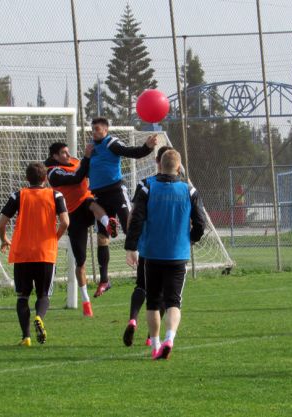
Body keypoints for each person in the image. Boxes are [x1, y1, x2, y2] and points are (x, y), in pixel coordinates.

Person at [125, 150, 206, 359]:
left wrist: (131, 247)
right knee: (173, 302)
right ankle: (170, 338)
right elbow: (200, 222)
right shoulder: (189, 190)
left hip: (152, 253)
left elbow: (136, 219)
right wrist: (192, 238)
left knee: (152, 301)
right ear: (178, 168)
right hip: (178, 254)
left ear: (159, 164)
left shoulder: (147, 187)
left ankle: (155, 345)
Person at [0, 162, 69, 346]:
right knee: (43, 294)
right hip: (45, 252)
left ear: (27, 178)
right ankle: (39, 317)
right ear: (45, 178)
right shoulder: (55, 195)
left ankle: (26, 337)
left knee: (23, 296)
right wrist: (54, 237)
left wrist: (4, 239)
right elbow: (65, 222)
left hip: (23, 254)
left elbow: (1, 223)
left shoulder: (18, 195)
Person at [44, 142, 118, 317]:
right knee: (81, 261)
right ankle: (86, 302)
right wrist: (86, 158)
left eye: (68, 152)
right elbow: (76, 178)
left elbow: (91, 170)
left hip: (86, 202)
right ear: (55, 156)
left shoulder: (77, 161)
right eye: (63, 153)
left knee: (92, 204)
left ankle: (108, 223)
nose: (68, 155)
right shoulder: (53, 172)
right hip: (73, 214)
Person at [88, 117, 159, 297]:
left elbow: (131, 152)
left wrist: (147, 147)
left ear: (105, 130)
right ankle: (104, 280)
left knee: (131, 228)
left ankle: (148, 271)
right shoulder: (91, 146)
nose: (93, 131)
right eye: (92, 128)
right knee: (102, 237)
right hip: (99, 195)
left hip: (116, 191)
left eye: (96, 129)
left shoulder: (111, 142)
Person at [123, 145, 172, 347]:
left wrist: (131, 245)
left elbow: (133, 215)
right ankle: (151, 336)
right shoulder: (181, 186)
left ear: (156, 161)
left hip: (146, 246)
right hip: (171, 248)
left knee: (141, 286)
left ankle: (133, 318)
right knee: (161, 293)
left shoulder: (145, 184)